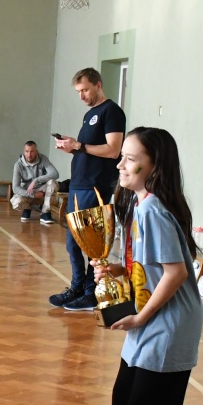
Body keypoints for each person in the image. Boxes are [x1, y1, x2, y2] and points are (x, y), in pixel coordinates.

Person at [79, 128, 203, 405]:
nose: (121, 164)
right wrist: (117, 270)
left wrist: (140, 317)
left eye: (130, 159)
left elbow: (175, 273)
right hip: (148, 322)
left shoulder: (153, 210)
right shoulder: (139, 204)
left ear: (153, 167)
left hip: (167, 328)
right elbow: (149, 265)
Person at [50, 68, 125, 312]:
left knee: (90, 242)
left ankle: (92, 293)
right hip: (79, 183)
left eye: (85, 90)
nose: (81, 96)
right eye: (78, 92)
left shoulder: (111, 111)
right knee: (72, 242)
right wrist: (72, 148)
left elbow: (113, 150)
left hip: (96, 185)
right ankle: (78, 287)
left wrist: (79, 145)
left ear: (98, 85)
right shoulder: (90, 114)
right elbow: (88, 149)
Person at [10, 140, 58, 225]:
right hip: (28, 192)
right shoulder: (18, 165)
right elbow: (15, 188)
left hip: (41, 190)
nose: (29, 154)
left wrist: (36, 181)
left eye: (32, 151)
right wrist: (33, 195)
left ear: (36, 152)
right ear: (24, 152)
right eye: (27, 151)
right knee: (16, 202)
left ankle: (45, 212)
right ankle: (27, 208)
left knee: (53, 183)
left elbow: (55, 173)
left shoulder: (43, 159)